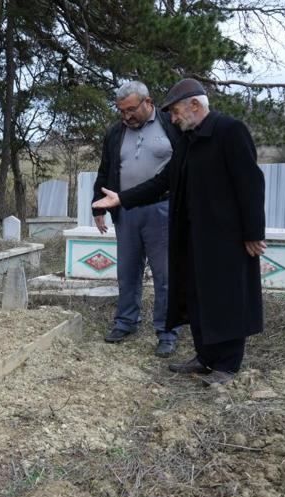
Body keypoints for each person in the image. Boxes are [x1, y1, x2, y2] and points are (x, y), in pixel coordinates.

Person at [92, 78, 266, 386]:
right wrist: (122, 198)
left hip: (226, 237)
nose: (172, 119)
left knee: (225, 298)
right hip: (193, 235)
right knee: (198, 296)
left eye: (175, 112)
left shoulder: (229, 131)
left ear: (195, 106)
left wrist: (253, 232)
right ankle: (205, 357)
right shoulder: (188, 139)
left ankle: (227, 365)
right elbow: (163, 181)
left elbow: (251, 183)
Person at [92, 81, 181, 357]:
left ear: (148, 102)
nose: (126, 116)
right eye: (121, 111)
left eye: (131, 109)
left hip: (162, 209)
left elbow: (185, 165)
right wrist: (97, 207)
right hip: (126, 210)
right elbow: (106, 168)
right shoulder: (116, 132)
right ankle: (126, 321)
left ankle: (167, 331)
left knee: (165, 274)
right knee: (127, 272)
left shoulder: (171, 125)